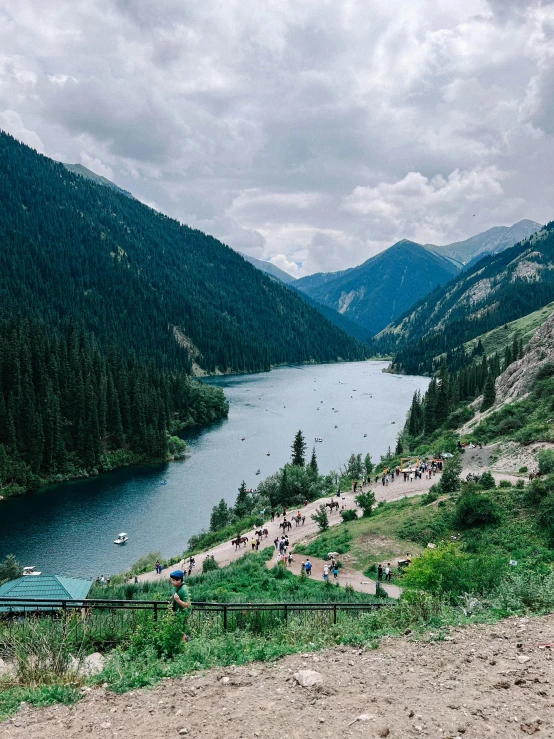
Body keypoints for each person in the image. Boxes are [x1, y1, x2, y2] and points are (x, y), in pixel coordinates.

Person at [170, 569, 192, 642]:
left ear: (179, 580)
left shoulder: (184, 590)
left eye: (173, 580)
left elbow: (188, 605)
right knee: (176, 631)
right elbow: (175, 594)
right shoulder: (175, 587)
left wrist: (178, 600)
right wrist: (172, 598)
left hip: (182, 615)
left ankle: (185, 646)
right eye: (171, 580)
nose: (171, 582)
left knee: (181, 632)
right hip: (176, 614)